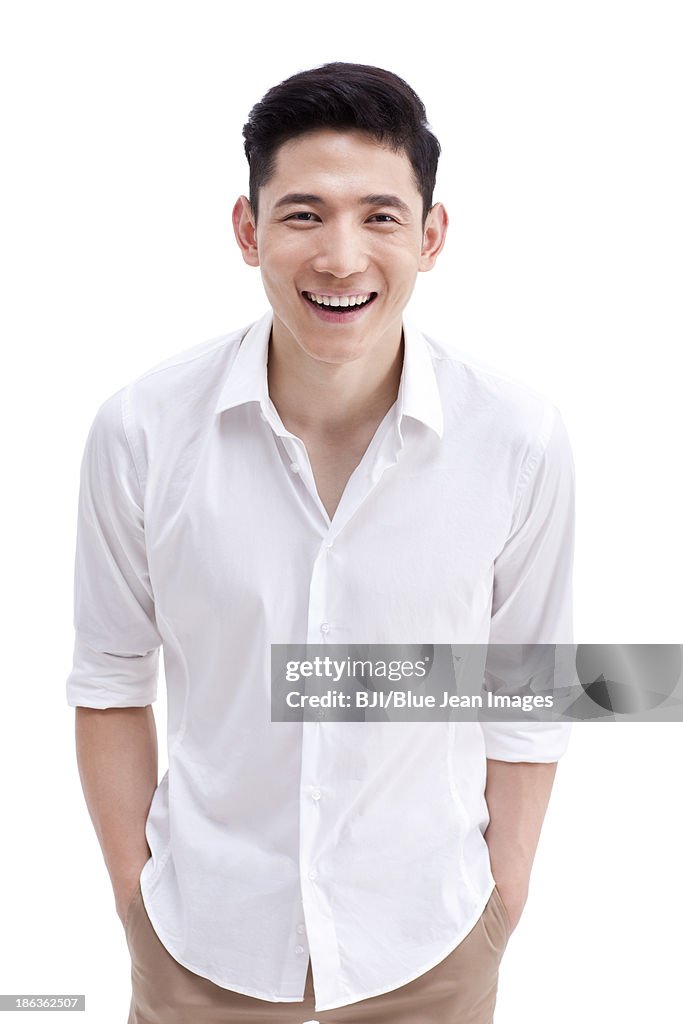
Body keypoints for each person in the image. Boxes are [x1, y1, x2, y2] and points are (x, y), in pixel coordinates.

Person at [67, 62, 575, 1023]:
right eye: (303, 214)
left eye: (380, 216)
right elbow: (108, 680)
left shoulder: (516, 438)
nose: (342, 256)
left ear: (431, 238)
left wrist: (501, 903)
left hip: (429, 945)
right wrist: (136, 905)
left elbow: (531, 687)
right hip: (198, 945)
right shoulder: (140, 430)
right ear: (247, 231)